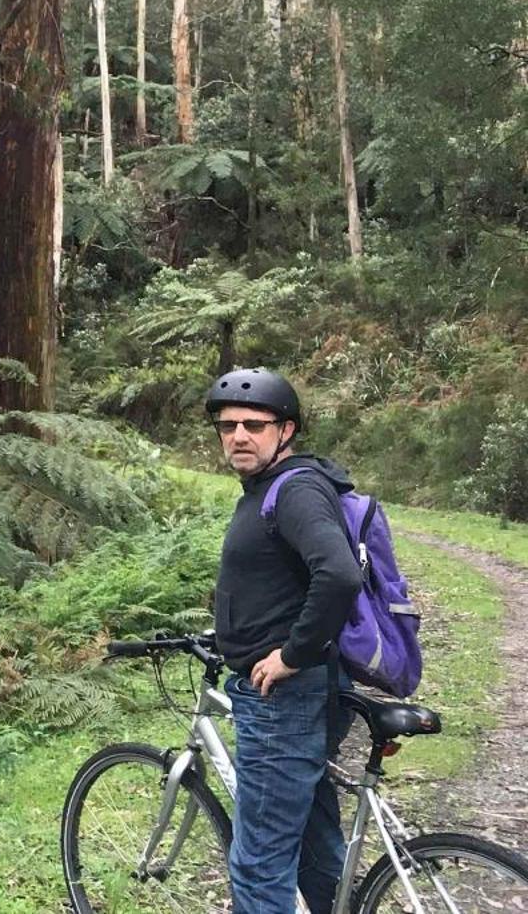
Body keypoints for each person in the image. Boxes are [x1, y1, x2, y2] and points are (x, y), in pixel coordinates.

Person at [209, 366, 364, 914]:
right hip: (296, 698)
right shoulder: (267, 489)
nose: (239, 436)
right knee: (314, 846)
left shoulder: (293, 489)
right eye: (228, 426)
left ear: (287, 430)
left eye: (254, 424)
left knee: (259, 863)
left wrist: (290, 656)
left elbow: (339, 574)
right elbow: (278, 577)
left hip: (283, 702)